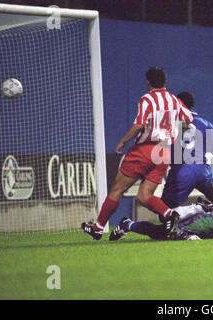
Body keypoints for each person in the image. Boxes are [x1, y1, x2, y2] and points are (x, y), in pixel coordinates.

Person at [82, 67, 193, 240]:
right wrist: (173, 132)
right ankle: (170, 214)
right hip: (164, 152)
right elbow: (188, 119)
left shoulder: (147, 99)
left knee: (117, 189)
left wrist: (123, 141)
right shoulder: (174, 100)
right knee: (144, 195)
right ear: (165, 82)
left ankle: (97, 228)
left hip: (145, 150)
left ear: (148, 82)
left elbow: (140, 124)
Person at [160, 91, 213, 209]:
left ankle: (198, 209)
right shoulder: (204, 123)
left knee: (164, 209)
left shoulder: (169, 122)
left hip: (181, 172)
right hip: (203, 171)